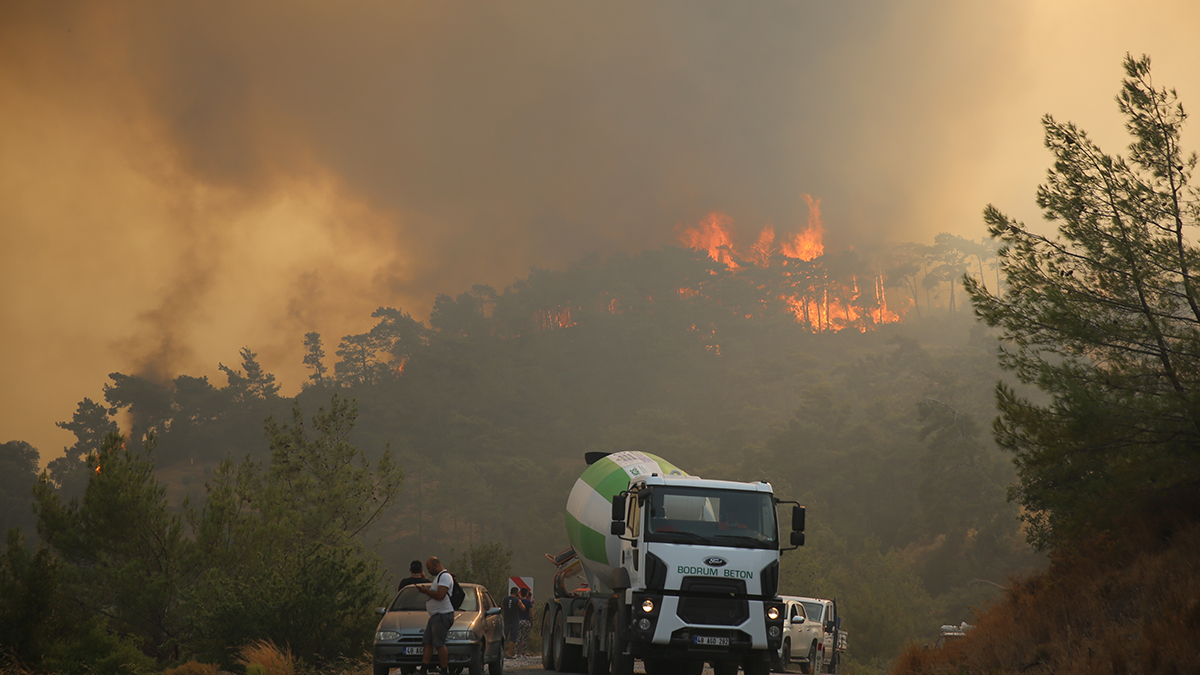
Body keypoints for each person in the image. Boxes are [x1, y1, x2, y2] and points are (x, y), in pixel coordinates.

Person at [416, 557, 455, 675]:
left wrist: (426, 591)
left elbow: (440, 595)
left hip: (442, 615)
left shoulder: (445, 577)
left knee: (439, 644)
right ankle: (424, 668)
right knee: (428, 642)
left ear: (436, 565)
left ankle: (444, 670)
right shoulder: (439, 578)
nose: (428, 571)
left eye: (429, 568)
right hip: (435, 616)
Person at [502, 587, 521, 658]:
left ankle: (501, 653)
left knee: (504, 637)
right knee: (512, 638)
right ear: (517, 593)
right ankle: (509, 654)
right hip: (514, 621)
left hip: (506, 620)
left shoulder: (504, 599)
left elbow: (503, 606)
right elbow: (523, 608)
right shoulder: (517, 600)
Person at [516, 587, 534, 658]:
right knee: (525, 637)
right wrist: (532, 621)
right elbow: (531, 612)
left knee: (518, 637)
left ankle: (517, 652)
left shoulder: (518, 601)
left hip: (519, 620)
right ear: (527, 594)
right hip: (526, 621)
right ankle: (523, 653)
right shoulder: (528, 602)